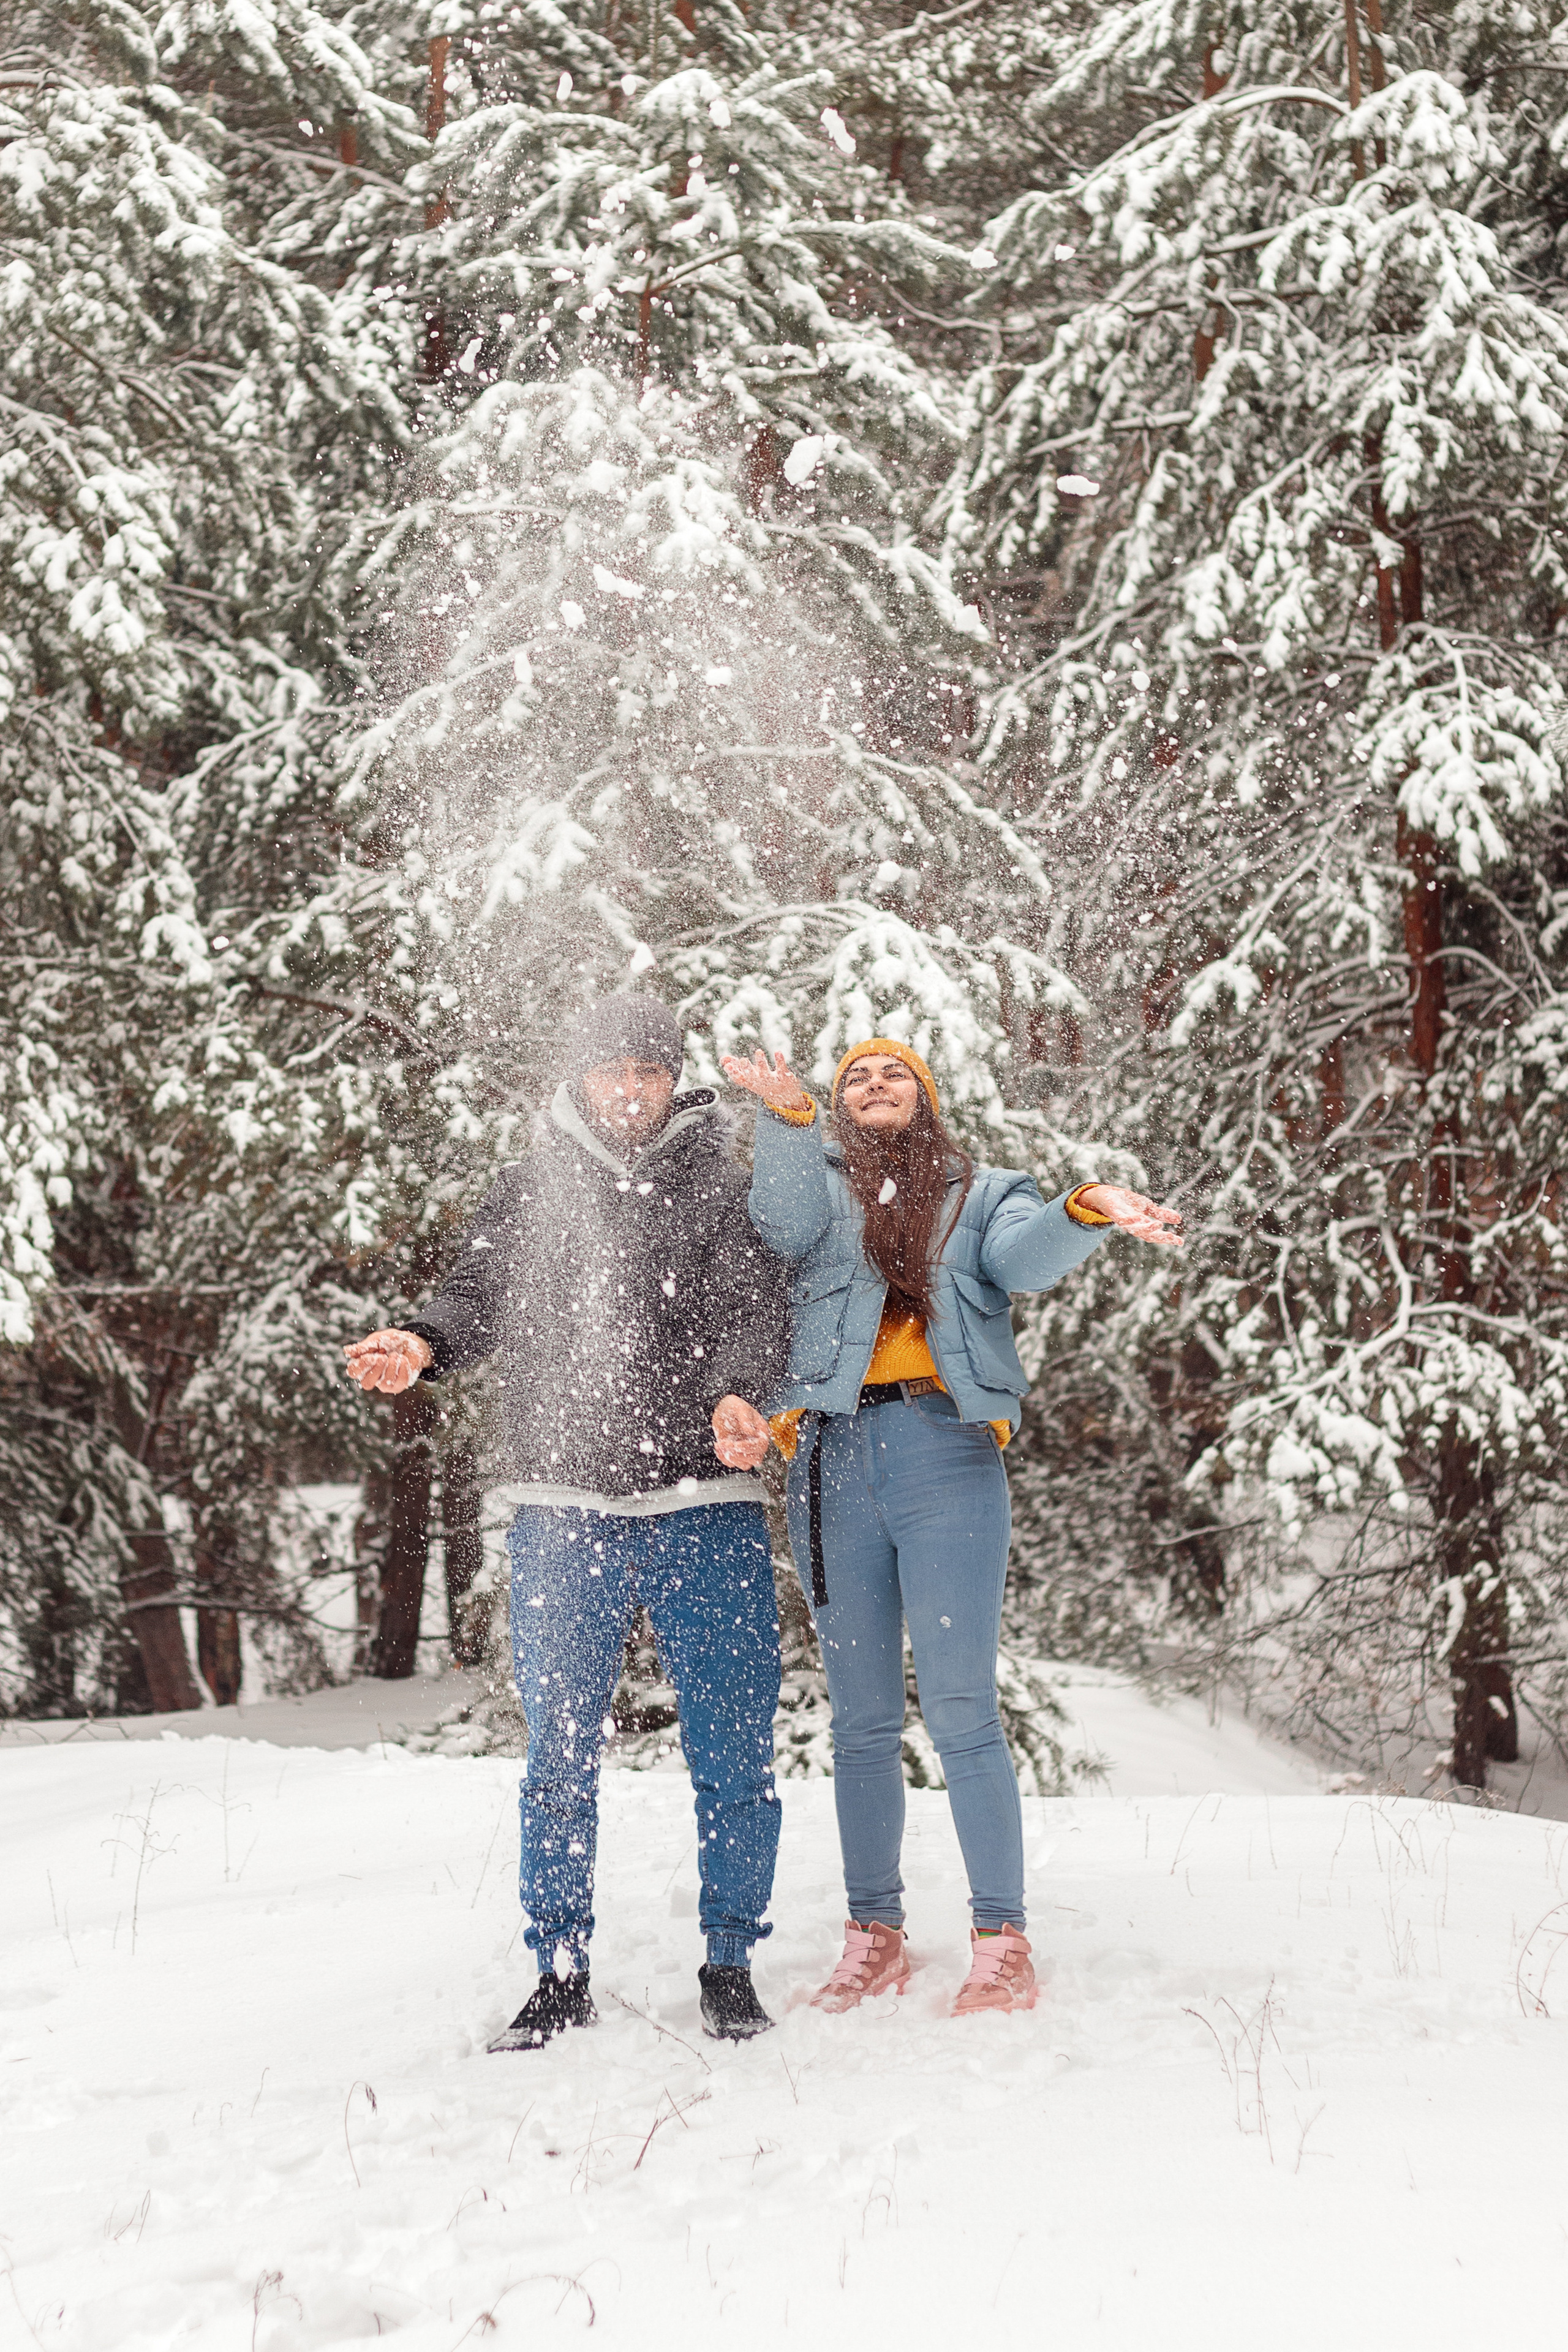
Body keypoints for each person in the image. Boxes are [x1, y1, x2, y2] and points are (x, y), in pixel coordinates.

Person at [346, 995, 790, 2047]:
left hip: (704, 1502)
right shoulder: (531, 1190)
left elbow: (755, 1312)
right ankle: (559, 1966)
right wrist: (422, 1343)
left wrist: (741, 1393)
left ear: (674, 1080)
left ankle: (730, 1959)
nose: (629, 1089)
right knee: (558, 1755)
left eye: (647, 1070)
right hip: (563, 1507)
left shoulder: (726, 1192)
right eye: (610, 1072)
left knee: (733, 1748)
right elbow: (471, 1297)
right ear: (581, 1081)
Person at [723, 1037, 1181, 2018]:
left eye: (895, 1073)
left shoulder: (983, 1190)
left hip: (948, 1456)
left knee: (964, 1709)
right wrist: (787, 1117)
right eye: (857, 1076)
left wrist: (1087, 1203)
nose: (875, 1085)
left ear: (925, 1097)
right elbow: (781, 1220)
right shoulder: (822, 1182)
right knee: (862, 1723)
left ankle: (1001, 1937)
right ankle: (873, 1932)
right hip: (830, 1464)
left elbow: (1022, 1258)